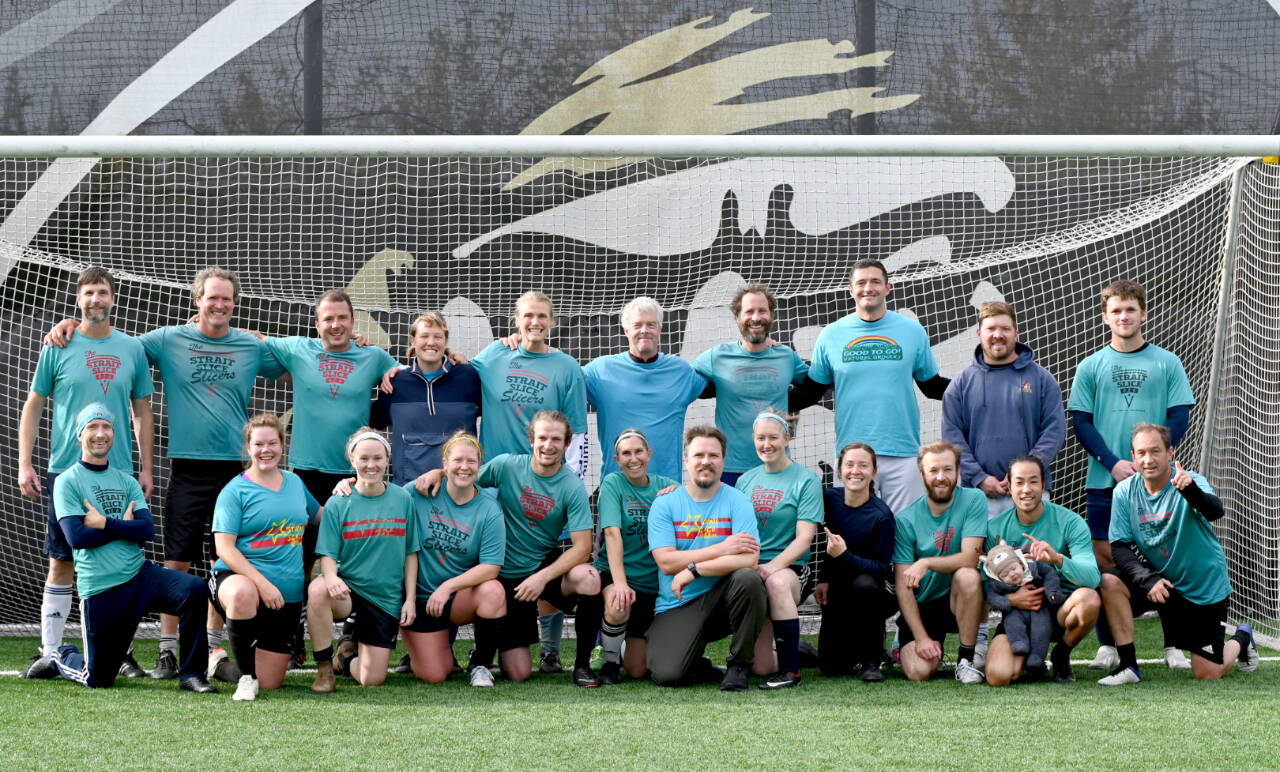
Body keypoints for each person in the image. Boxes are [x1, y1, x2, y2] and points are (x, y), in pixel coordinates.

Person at [48, 266, 286, 678]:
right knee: (177, 562)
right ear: (197, 300)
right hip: (187, 469)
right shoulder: (167, 339)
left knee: (224, 563)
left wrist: (350, 340)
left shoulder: (250, 346)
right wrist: (73, 324)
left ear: (235, 303)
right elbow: (110, 342)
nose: (219, 304)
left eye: (227, 298)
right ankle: (167, 651)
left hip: (236, 471)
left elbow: (300, 359)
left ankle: (213, 652)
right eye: (212, 297)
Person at [17, 267, 154, 679]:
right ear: (79, 300)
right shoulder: (57, 345)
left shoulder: (131, 348)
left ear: (113, 299)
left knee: (122, 565)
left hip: (120, 474)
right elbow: (34, 404)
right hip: (67, 473)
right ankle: (51, 650)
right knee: (61, 563)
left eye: (103, 293)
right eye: (89, 293)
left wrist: (146, 468)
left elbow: (142, 410)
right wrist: (25, 463)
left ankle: (123, 652)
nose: (96, 299)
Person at [1067, 279, 1195, 671]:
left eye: (1131, 310)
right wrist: (1113, 461)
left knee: (1168, 555)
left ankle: (1175, 643)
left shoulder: (1167, 362)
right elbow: (1081, 422)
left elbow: (1179, 416)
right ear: (1105, 317)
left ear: (1144, 314)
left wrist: (1146, 462)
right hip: (1106, 479)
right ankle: (1108, 643)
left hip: (1158, 479)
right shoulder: (1091, 366)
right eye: (1116, 310)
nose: (1124, 317)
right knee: (1106, 558)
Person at [422, 411, 600, 685]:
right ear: (531, 440)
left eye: (556, 439)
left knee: (589, 579)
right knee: (517, 670)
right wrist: (438, 471)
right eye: (542, 438)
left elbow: (583, 548)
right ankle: (480, 658)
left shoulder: (572, 486)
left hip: (538, 569)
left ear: (566, 445)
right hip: (497, 570)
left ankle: (582, 666)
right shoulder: (506, 466)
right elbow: (465, 476)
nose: (548, 445)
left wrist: (542, 577)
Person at [46, 403, 214, 692]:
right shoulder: (67, 481)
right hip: (101, 588)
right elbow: (77, 538)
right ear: (79, 435)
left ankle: (192, 674)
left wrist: (103, 523)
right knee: (98, 679)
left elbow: (146, 530)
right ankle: (59, 656)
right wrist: (123, 527)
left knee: (194, 589)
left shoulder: (126, 480)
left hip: (140, 576)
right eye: (92, 427)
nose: (101, 433)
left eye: (107, 427)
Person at [472, 291, 588, 673]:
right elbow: (456, 369)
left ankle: (551, 649)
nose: (534, 322)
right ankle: (482, 650)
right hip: (497, 484)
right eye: (527, 316)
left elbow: (576, 432)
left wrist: (563, 481)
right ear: (516, 320)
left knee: (546, 558)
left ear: (552, 321)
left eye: (542, 316)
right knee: (492, 566)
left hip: (544, 483)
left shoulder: (566, 366)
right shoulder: (494, 355)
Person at [1096, 423, 1258, 685]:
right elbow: (1120, 547)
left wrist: (1191, 490)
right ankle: (1128, 666)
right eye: (1141, 453)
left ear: (1170, 452)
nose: (1148, 459)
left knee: (1208, 672)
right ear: (1133, 456)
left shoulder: (1189, 480)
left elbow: (1215, 511)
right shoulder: (1124, 492)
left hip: (1202, 588)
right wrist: (1146, 579)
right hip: (1162, 582)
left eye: (1155, 451)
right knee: (1109, 582)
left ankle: (1242, 637)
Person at [792, 259, 949, 515]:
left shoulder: (912, 330)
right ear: (851, 290)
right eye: (861, 283)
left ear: (888, 288)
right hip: (853, 456)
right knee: (857, 533)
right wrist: (762, 392)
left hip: (903, 452)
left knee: (903, 533)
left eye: (875, 282)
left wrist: (979, 386)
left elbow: (931, 386)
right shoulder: (831, 335)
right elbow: (811, 391)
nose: (868, 288)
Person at [646, 425, 768, 691]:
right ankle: (696, 662)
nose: (706, 462)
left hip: (724, 597)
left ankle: (739, 666)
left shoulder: (738, 501)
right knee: (667, 675)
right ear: (687, 460)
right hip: (678, 602)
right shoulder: (665, 504)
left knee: (748, 579)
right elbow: (666, 563)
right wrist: (723, 548)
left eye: (713, 456)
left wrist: (694, 569)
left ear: (723, 460)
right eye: (699, 455)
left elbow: (749, 559)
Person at [209, 413, 320, 701]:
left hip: (287, 595)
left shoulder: (295, 483)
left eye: (272, 443)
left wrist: (349, 491)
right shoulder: (235, 491)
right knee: (243, 592)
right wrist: (262, 585)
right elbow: (224, 548)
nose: (266, 449)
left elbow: (321, 516)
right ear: (248, 448)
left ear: (282, 446)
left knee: (270, 681)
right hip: (238, 581)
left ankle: (219, 665)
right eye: (259, 444)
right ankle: (245, 679)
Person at [308, 429, 417, 691]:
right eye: (364, 458)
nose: (371, 465)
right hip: (348, 591)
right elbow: (328, 555)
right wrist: (332, 576)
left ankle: (344, 659)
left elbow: (411, 553)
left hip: (384, 596)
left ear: (388, 459)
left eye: (378, 458)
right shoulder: (338, 502)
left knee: (372, 679)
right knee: (318, 589)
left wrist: (410, 599)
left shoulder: (403, 499)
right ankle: (324, 669)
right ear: (352, 461)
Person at [983, 455, 1102, 686]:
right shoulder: (995, 529)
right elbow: (984, 582)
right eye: (1019, 482)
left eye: (1033, 482)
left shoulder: (1070, 521)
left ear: (1044, 484)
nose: (1026, 490)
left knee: (1089, 600)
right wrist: (1012, 599)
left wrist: (1057, 559)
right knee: (999, 676)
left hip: (1058, 610)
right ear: (1009, 485)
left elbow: (1092, 577)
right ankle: (1030, 657)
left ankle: (1061, 654)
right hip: (1017, 618)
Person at [941, 301, 1065, 518]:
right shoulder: (961, 384)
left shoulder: (1042, 379)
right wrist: (979, 478)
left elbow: (1054, 431)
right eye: (991, 329)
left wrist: (1024, 475)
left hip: (1031, 492)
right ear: (979, 333)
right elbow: (952, 438)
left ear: (1016, 333)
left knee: (1031, 553)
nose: (998, 335)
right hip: (978, 495)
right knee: (982, 553)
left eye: (1005, 328)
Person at [573, 428, 678, 684]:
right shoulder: (613, 483)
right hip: (617, 574)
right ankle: (610, 663)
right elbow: (612, 534)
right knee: (619, 603)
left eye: (639, 451)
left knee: (638, 670)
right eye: (626, 454)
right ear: (617, 459)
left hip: (651, 584)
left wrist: (680, 495)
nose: (634, 458)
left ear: (649, 454)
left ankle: (619, 644)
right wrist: (620, 583)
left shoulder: (666, 486)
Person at [401, 432, 506, 687]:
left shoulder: (489, 509)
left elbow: (491, 566)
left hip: (456, 599)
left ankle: (480, 664)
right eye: (457, 460)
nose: (464, 467)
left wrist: (448, 587)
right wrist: (349, 484)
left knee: (493, 592)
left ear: (480, 467)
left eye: (471, 462)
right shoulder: (419, 492)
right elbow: (380, 497)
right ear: (444, 464)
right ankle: (426, 649)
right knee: (435, 674)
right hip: (421, 599)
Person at [734, 408, 822, 689]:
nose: (766, 444)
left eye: (773, 437)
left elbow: (804, 539)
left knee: (778, 583)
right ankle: (799, 651)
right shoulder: (745, 480)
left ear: (787, 438)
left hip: (790, 568)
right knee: (760, 667)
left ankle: (790, 672)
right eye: (760, 438)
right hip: (754, 566)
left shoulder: (806, 480)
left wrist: (771, 567)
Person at [692, 284, 809, 486]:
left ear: (771, 315)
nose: (756, 317)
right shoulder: (717, 356)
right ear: (737, 317)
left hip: (776, 467)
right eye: (749, 311)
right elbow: (682, 381)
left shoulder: (786, 356)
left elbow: (815, 384)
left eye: (762, 311)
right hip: (729, 469)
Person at [585, 296, 708, 482]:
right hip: (617, 491)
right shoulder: (600, 371)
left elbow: (726, 381)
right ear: (626, 330)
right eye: (637, 325)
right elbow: (561, 377)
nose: (644, 331)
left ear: (660, 329)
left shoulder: (681, 372)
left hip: (667, 489)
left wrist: (761, 349)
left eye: (651, 325)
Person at [893, 440, 986, 683]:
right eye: (933, 471)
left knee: (968, 575)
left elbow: (970, 558)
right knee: (919, 672)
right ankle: (932, 648)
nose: (941, 477)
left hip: (958, 598)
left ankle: (966, 659)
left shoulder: (974, 499)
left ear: (958, 471)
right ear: (922, 474)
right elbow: (903, 587)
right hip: (925, 604)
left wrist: (926, 562)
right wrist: (921, 637)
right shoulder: (905, 519)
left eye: (947, 469)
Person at [815, 442, 897, 682]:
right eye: (849, 465)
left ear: (874, 472)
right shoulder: (828, 499)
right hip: (838, 591)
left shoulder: (882, 516)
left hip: (873, 592)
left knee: (864, 585)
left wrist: (845, 556)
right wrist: (823, 578)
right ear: (840, 470)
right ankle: (807, 650)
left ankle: (873, 659)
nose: (855, 471)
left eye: (863, 465)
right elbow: (819, 545)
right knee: (831, 667)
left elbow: (882, 568)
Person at [371, 311, 482, 484]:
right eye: (424, 336)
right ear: (413, 341)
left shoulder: (468, 376)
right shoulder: (396, 382)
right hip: (408, 489)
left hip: (459, 488)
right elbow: (374, 422)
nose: (431, 342)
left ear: (445, 342)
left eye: (437, 336)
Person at [981, 542, 1063, 675]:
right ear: (998, 578)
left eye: (1013, 568)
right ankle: (1019, 642)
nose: (1012, 574)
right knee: (1012, 623)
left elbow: (1050, 573)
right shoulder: (998, 584)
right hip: (1015, 612)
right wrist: (1008, 601)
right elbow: (992, 597)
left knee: (1041, 629)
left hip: (1039, 609)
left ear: (1020, 562)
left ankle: (1036, 659)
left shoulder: (1032, 567)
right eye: (1005, 574)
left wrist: (1051, 592)